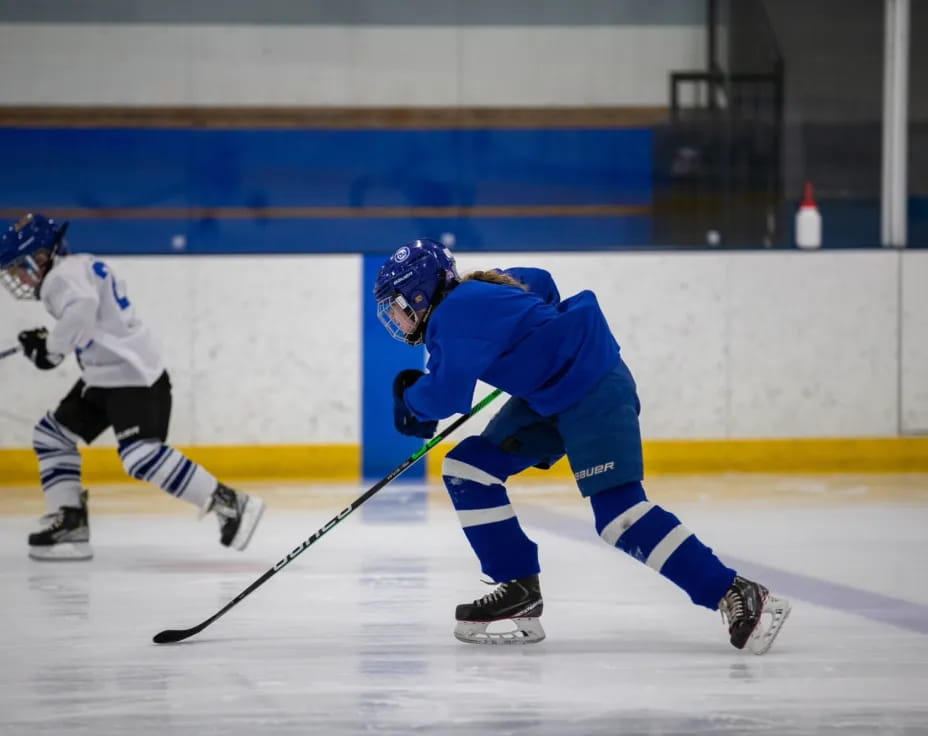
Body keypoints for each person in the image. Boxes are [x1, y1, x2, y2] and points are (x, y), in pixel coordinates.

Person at [373, 238, 791, 654]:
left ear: (420, 293)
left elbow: (445, 397)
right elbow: (543, 283)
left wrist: (410, 401)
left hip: (593, 389)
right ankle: (519, 588)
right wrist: (530, 345)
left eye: (396, 305)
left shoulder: (454, 315)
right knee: (469, 469)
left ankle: (737, 591)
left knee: (619, 516)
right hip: (549, 399)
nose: (395, 316)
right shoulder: (485, 290)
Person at [0, 213, 265, 560]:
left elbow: (82, 308)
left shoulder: (59, 279)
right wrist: (52, 340)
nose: (15, 276)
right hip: (106, 375)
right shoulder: (77, 266)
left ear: (40, 257)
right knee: (52, 436)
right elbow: (89, 317)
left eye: (18, 266)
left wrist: (51, 351)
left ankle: (229, 502)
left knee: (141, 456)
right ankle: (71, 523)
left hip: (133, 376)